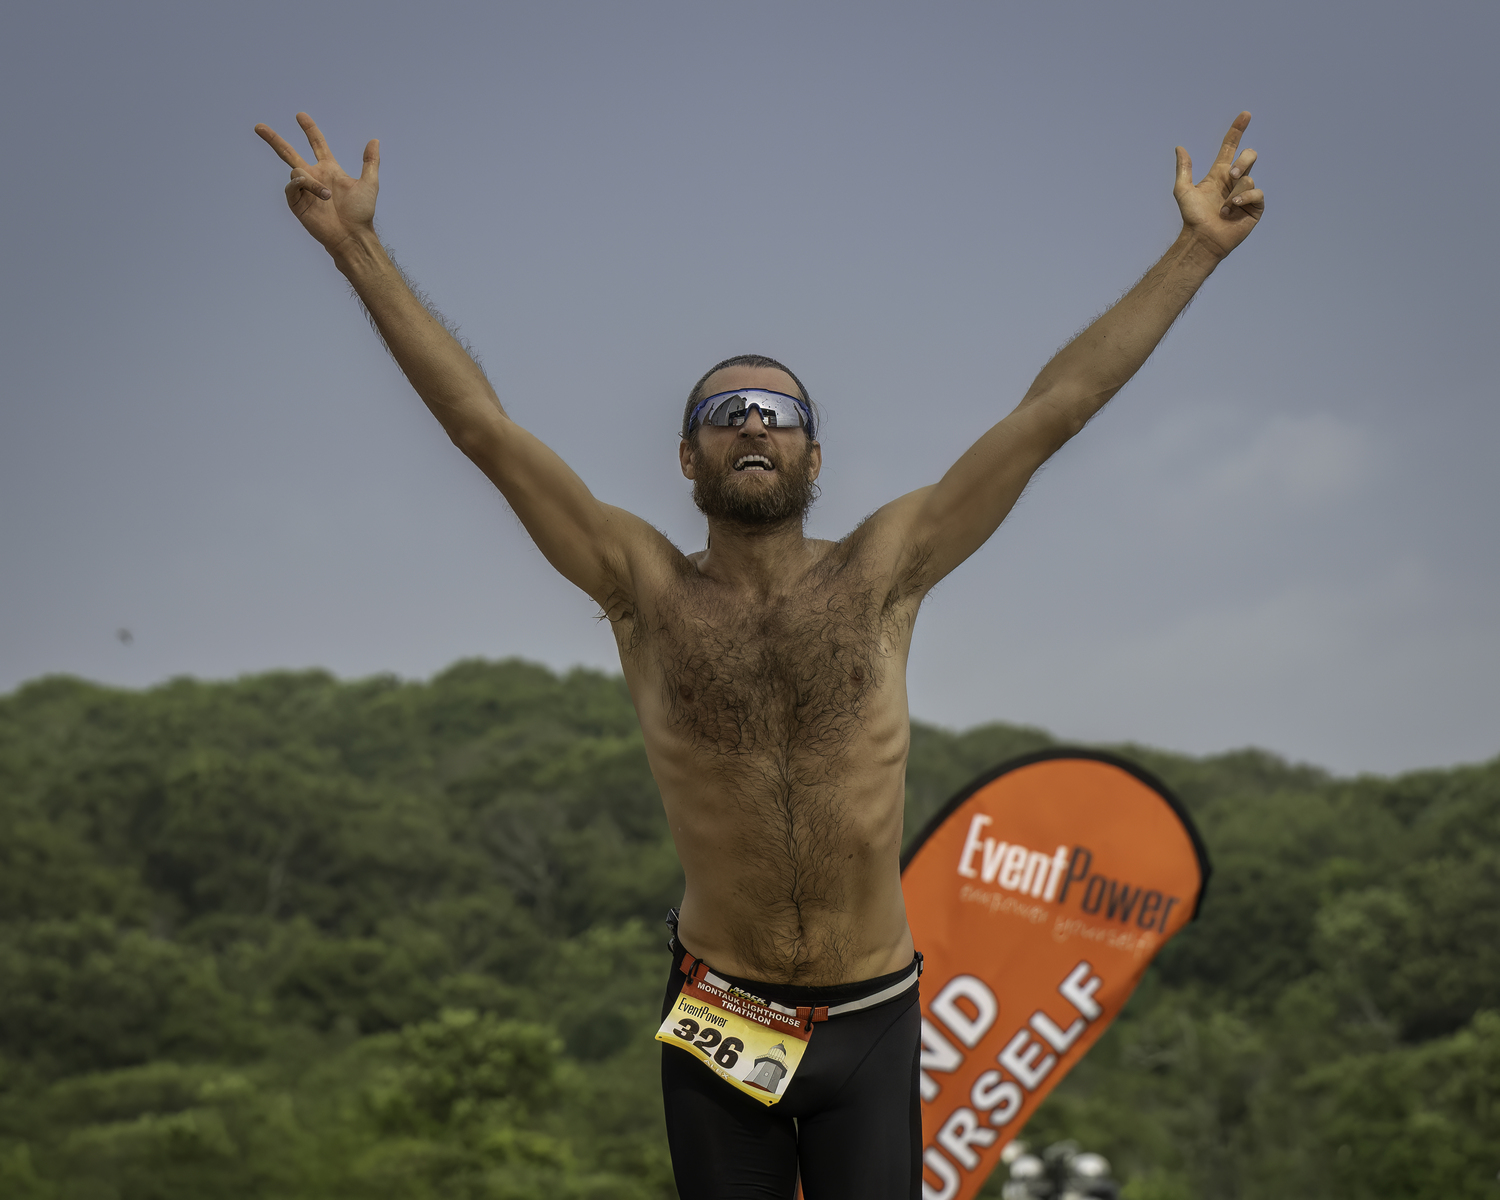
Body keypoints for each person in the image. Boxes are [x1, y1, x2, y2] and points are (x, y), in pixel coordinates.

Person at [255, 109, 1264, 1200]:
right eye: (726, 414)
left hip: (872, 1016)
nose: (753, 426)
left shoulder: (886, 568)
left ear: (813, 452)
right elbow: (484, 432)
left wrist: (1195, 249)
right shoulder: (641, 586)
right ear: (687, 455)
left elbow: (1052, 412)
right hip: (722, 1008)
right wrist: (354, 246)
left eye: (777, 414)